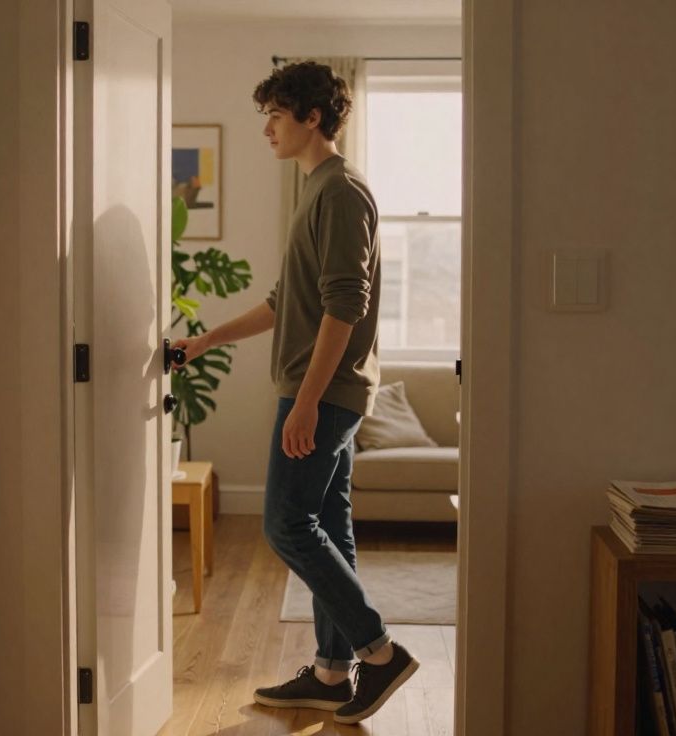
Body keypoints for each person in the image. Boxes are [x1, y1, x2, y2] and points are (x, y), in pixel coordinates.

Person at [172, 61, 418, 725]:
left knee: (285, 524)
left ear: (313, 116)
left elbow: (344, 305)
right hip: (323, 388)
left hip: (324, 391)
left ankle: (380, 651)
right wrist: (206, 340)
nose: (266, 129)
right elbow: (287, 304)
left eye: (276, 115)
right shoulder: (317, 191)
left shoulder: (340, 192)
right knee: (328, 524)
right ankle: (333, 673)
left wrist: (307, 402)